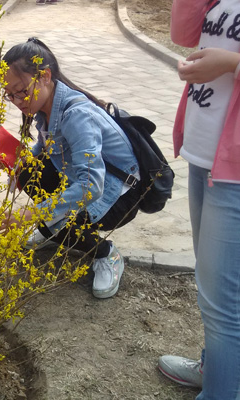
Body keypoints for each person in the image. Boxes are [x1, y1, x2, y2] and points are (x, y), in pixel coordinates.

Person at [0, 38, 142, 299]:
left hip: (118, 194)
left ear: (44, 76)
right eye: (10, 95)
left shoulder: (76, 114)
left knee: (57, 216)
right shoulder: (46, 105)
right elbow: (44, 147)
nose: (17, 100)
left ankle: (106, 254)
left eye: (20, 91)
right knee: (30, 172)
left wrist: (35, 213)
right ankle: (53, 230)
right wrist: (17, 164)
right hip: (86, 179)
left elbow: (91, 186)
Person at [157, 0, 240, 397]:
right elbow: (183, 33)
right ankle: (218, 370)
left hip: (236, 173)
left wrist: (230, 63)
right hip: (206, 157)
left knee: (222, 302)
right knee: (214, 289)